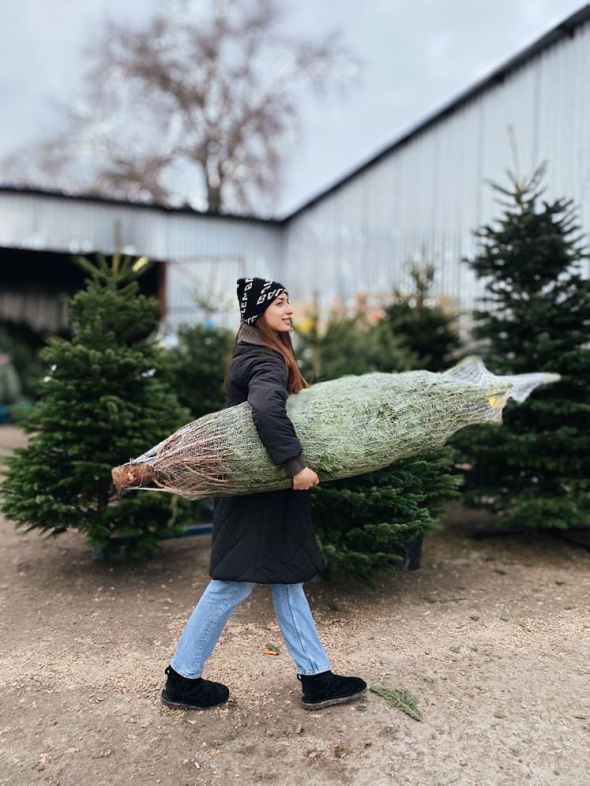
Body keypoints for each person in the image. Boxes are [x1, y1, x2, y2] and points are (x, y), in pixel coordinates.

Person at [161, 277, 367, 711]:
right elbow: (267, 409)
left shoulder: (254, 352)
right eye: (279, 303)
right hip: (261, 491)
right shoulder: (264, 359)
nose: (289, 309)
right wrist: (296, 465)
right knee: (231, 584)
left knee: (286, 579)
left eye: (289, 301)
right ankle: (183, 678)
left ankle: (316, 677)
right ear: (258, 313)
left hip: (260, 490)